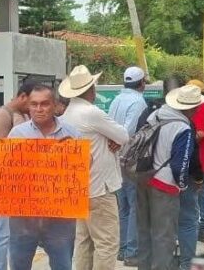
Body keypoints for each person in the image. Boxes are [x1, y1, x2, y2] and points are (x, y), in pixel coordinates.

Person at [60, 65, 130, 270]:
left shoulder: (66, 115)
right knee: (106, 243)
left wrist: (111, 139)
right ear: (91, 89)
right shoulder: (91, 113)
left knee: (83, 241)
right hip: (99, 189)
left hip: (79, 189)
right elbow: (124, 135)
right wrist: (113, 139)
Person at [7, 84, 81, 270]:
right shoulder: (17, 135)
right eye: (34, 104)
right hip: (24, 217)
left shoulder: (72, 133)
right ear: (29, 106)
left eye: (44, 104)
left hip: (60, 217)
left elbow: (84, 170)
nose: (39, 109)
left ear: (55, 105)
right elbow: (6, 172)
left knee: (63, 265)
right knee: (19, 265)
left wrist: (82, 159)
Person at [136, 85, 203, 270]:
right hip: (164, 186)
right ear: (191, 108)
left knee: (145, 232)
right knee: (164, 238)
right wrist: (181, 186)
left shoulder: (155, 115)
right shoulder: (183, 128)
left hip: (143, 179)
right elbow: (179, 165)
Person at [0, 81, 34, 270]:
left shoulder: (21, 114)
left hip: (20, 184)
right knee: (3, 232)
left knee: (17, 233)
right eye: (31, 102)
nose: (33, 107)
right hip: (6, 183)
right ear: (22, 96)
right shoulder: (3, 115)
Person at [108, 66, 148, 265]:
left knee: (122, 206)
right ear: (141, 83)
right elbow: (129, 131)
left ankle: (123, 248)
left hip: (115, 158)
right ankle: (132, 251)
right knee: (134, 206)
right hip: (131, 159)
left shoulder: (117, 99)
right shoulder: (138, 101)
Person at [176, 80, 204, 269]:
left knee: (196, 205)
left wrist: (181, 139)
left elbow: (200, 133)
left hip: (199, 163)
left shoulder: (200, 110)